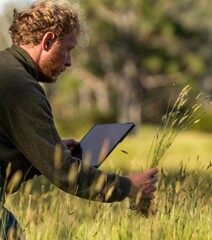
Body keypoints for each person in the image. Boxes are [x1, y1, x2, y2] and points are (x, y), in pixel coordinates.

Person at [0, 0, 158, 238]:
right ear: (48, 41)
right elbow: (63, 172)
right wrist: (128, 187)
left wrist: (48, 149)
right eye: (68, 49)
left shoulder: (6, 69)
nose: (69, 62)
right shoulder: (21, 87)